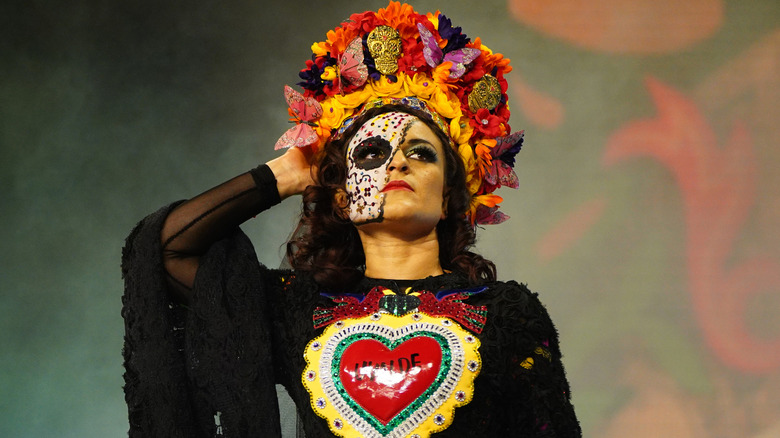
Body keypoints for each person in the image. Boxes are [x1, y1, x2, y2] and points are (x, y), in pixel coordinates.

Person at [122, 3, 580, 437]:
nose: (397, 164)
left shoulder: (506, 313)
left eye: (421, 154)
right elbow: (165, 250)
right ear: (341, 200)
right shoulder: (298, 309)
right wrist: (282, 176)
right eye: (373, 154)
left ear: (448, 200)